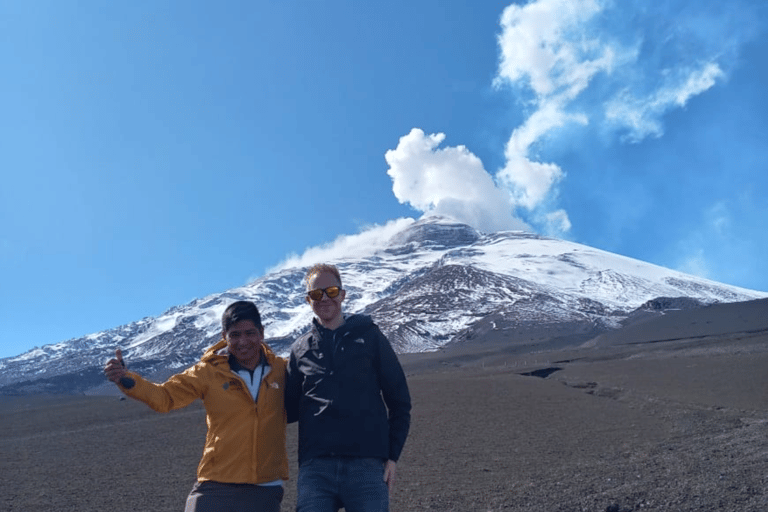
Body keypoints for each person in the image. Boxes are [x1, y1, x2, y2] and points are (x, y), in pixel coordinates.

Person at [104, 300, 288, 512]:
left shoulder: (282, 370)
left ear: (262, 333)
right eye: (235, 335)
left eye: (250, 333)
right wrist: (126, 379)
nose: (243, 341)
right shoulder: (207, 373)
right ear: (224, 337)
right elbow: (165, 398)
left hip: (265, 489)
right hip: (217, 483)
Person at [286, 263, 412, 512]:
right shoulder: (299, 349)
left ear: (342, 294)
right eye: (316, 294)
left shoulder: (371, 337)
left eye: (331, 291)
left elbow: (400, 400)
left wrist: (392, 456)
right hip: (316, 470)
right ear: (307, 300)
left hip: (367, 466)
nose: (324, 298)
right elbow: (285, 409)